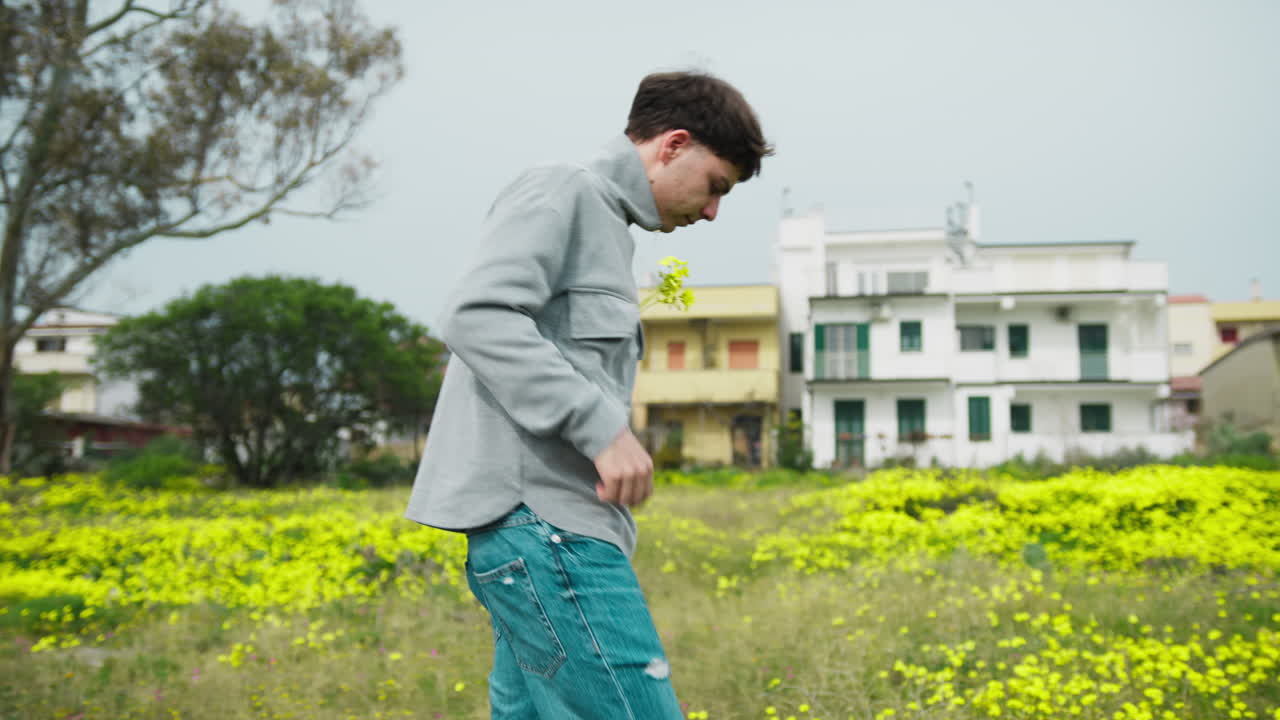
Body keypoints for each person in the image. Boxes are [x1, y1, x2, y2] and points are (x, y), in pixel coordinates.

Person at [404, 70, 771, 719]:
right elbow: (476, 314)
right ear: (673, 145)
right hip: (545, 530)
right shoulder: (564, 190)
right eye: (716, 187)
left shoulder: (609, 229)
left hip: (547, 533)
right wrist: (603, 429)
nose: (713, 212)